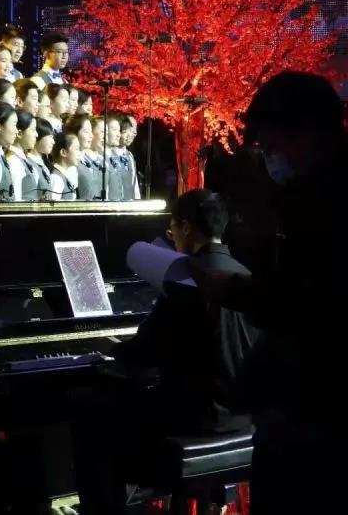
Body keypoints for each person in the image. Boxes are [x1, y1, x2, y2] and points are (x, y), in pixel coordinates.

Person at [193, 72, 347, 515]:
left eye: (271, 146)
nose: (270, 159)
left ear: (307, 132)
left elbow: (306, 302)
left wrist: (234, 291)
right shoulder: (307, 196)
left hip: (313, 415)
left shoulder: (322, 205)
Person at [74, 189, 260, 515]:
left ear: (186, 227)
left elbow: (144, 352)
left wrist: (108, 348)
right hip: (240, 418)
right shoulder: (245, 276)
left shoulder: (185, 277)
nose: (171, 236)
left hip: (195, 420)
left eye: (172, 228)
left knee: (90, 409)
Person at [6, 110, 40, 201]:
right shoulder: (14, 161)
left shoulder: (22, 159)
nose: (36, 135)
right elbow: (16, 200)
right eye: (33, 130)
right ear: (20, 134)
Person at [64, 114, 98, 200]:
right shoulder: (71, 163)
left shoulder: (88, 160)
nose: (91, 136)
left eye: (91, 131)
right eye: (86, 132)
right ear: (75, 134)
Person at [116, 114, 140, 200]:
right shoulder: (108, 154)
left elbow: (134, 184)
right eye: (130, 129)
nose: (134, 133)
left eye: (135, 129)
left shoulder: (129, 156)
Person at [48, 133, 79, 200]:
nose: (79, 153)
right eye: (76, 149)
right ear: (63, 152)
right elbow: (52, 205)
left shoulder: (65, 175)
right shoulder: (56, 178)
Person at [30, 117, 55, 199]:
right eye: (50, 137)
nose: (53, 142)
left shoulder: (43, 164)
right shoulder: (30, 164)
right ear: (38, 136)